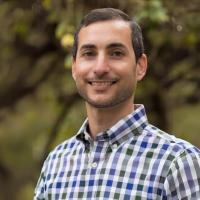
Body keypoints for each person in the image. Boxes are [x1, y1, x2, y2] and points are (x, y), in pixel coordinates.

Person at [34, 8, 200, 199]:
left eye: (116, 53)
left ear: (140, 66)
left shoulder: (179, 162)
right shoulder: (56, 163)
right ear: (74, 67)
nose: (100, 68)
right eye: (89, 53)